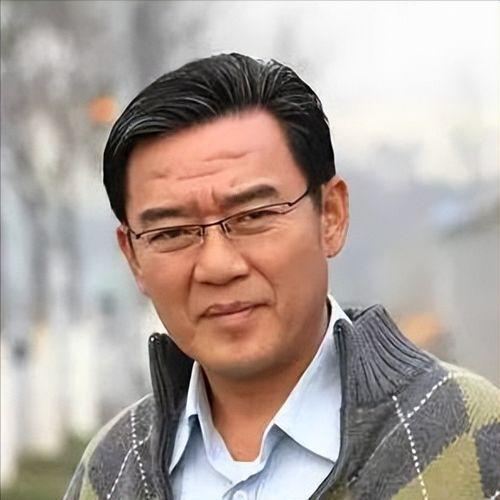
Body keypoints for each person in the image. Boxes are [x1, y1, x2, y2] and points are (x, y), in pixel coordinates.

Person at [64, 53, 499, 500]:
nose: (218, 266)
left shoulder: (469, 437)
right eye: (172, 232)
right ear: (133, 256)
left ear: (331, 216)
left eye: (253, 216)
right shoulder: (113, 470)